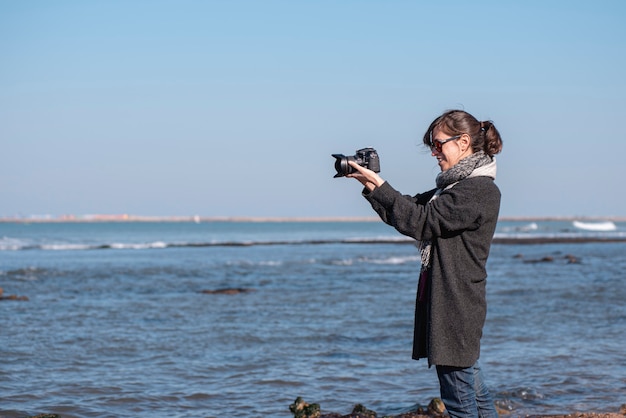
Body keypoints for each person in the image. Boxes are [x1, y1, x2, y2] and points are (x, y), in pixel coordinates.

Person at [346, 109, 503, 418]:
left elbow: (422, 221)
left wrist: (380, 183)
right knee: (476, 393)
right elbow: (408, 210)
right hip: (455, 304)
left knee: (460, 404)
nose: (434, 152)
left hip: (456, 307)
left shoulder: (479, 191)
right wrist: (370, 183)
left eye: (438, 144)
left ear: (463, 142)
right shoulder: (453, 189)